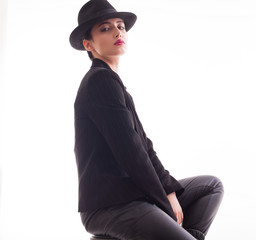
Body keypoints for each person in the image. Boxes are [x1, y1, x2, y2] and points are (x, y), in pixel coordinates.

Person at [69, 1, 224, 239]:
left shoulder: (113, 82)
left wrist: (169, 189)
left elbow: (144, 145)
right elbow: (131, 152)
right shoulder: (99, 81)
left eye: (120, 26)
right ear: (88, 44)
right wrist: (163, 201)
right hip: (110, 205)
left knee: (210, 187)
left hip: (132, 196)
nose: (118, 32)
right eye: (105, 28)